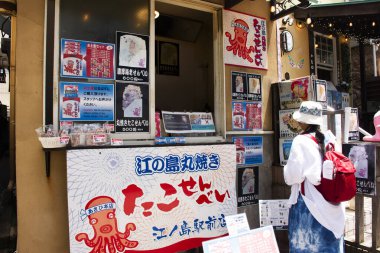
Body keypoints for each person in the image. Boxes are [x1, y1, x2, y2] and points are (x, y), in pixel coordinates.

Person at [284, 101, 345, 252]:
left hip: (309, 202)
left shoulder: (301, 140)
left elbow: (293, 176)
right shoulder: (330, 138)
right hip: (331, 200)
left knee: (307, 244)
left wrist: (286, 170)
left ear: (303, 121)